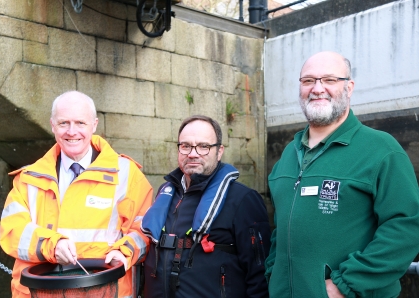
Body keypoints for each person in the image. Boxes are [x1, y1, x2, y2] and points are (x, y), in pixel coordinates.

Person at [264, 51, 419, 298]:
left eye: (329, 80)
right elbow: (281, 228)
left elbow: (407, 227)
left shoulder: (382, 150)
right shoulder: (287, 156)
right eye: (308, 81)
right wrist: (273, 271)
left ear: (349, 87)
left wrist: (345, 284)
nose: (317, 89)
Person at [0, 91, 153, 298]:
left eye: (80, 123)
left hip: (103, 291)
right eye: (64, 123)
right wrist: (52, 246)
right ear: (53, 126)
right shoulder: (28, 178)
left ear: (94, 125)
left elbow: (143, 229)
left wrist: (124, 252)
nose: (72, 132)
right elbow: (11, 231)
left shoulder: (127, 174)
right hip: (39, 293)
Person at [141, 115, 271, 298]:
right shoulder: (166, 192)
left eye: (204, 146)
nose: (192, 153)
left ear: (219, 152)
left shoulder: (243, 200)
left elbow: (260, 275)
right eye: (185, 146)